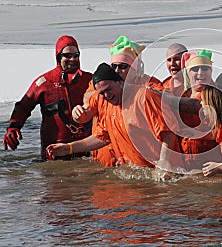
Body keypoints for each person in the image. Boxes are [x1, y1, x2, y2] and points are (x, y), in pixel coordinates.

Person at [46, 63, 181, 174]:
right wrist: (69, 148)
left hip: (163, 172)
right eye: (102, 93)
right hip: (136, 173)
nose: (106, 96)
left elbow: (169, 132)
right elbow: (103, 137)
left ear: (120, 83)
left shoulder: (144, 97)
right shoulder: (110, 105)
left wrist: (164, 163)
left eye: (108, 89)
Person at [72, 35, 162, 167]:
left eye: (123, 66)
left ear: (135, 68)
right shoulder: (103, 87)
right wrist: (79, 112)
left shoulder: (149, 88)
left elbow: (166, 128)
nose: (117, 71)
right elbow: (88, 107)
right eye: (113, 66)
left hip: (143, 162)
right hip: (108, 159)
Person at [2, 35, 92, 160]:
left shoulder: (89, 81)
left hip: (86, 153)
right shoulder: (44, 82)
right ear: (58, 56)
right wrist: (13, 127)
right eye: (68, 56)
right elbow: (23, 106)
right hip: (53, 155)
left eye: (76, 55)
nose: (73, 59)